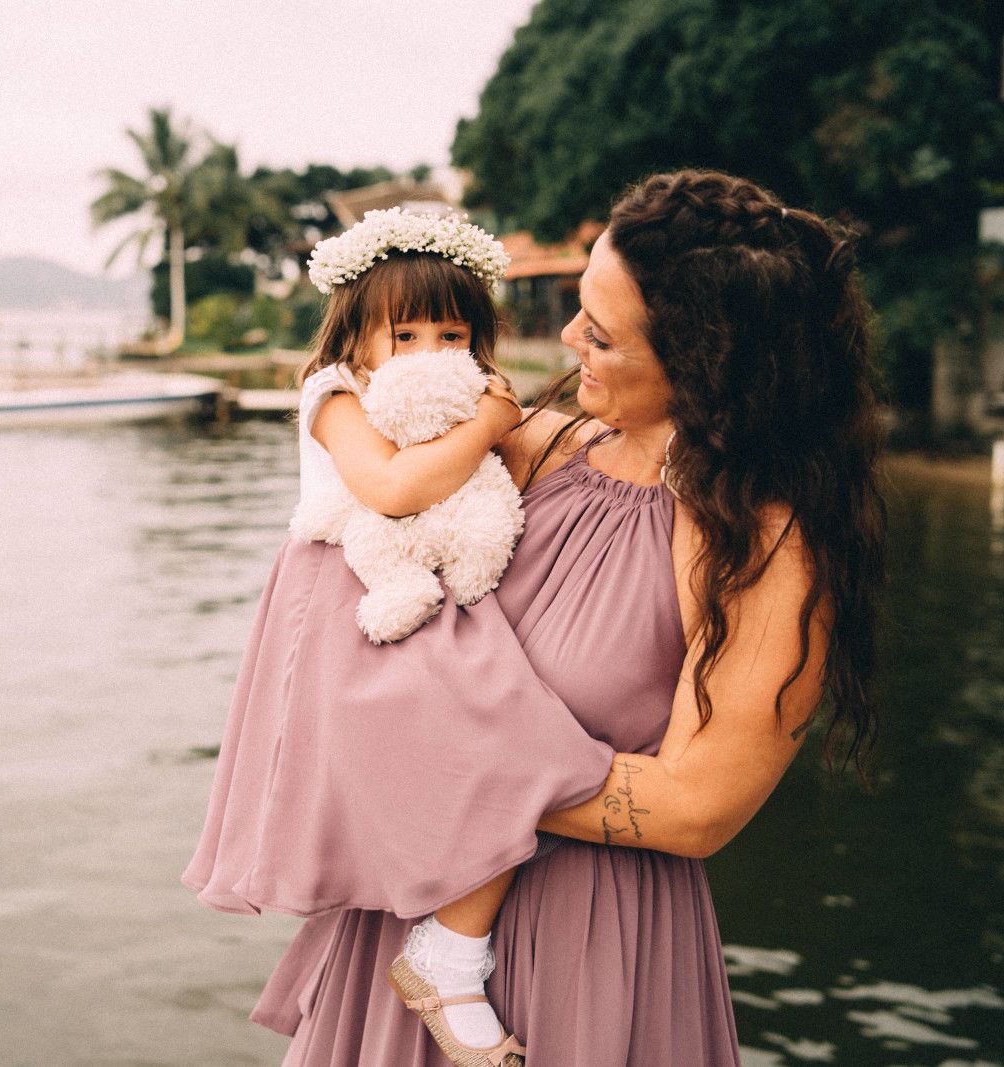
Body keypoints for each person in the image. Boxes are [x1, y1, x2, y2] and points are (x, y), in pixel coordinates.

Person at [246, 170, 887, 1066]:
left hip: (585, 940)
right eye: (581, 306)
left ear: (704, 359)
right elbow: (348, 541)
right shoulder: (529, 449)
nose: (567, 335)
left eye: (603, 331)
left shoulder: (764, 545)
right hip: (406, 909)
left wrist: (436, 752)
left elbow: (698, 807)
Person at [184, 208, 620, 1065]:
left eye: (451, 334)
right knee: (506, 738)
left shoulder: (465, 393)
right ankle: (447, 952)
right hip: (345, 591)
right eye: (406, 333)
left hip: (432, 584)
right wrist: (487, 424)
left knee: (519, 734)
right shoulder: (334, 394)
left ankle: (448, 942)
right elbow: (388, 488)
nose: (429, 353)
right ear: (357, 333)